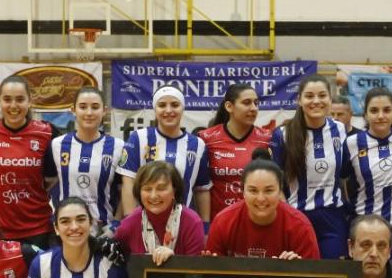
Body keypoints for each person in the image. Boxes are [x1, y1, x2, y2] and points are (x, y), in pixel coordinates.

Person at [341, 87, 392, 275]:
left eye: (386, 110)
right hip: (364, 228)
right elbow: (342, 180)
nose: (380, 116)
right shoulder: (352, 143)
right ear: (365, 114)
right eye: (374, 110)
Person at [270, 75, 350, 259]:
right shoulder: (283, 135)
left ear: (330, 99)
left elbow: (345, 175)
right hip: (297, 216)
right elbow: (276, 182)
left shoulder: (339, 129)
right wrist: (288, 215)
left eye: (322, 95)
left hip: (333, 217)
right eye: (309, 96)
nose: (316, 101)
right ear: (299, 100)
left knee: (332, 277)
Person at [0, 76, 54, 247]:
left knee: (37, 274)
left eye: (20, 99)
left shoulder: (47, 132)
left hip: (39, 228)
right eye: (7, 99)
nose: (13, 106)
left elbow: (54, 176)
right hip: (1, 228)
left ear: (29, 101)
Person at [118, 85, 211, 221]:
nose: (168, 110)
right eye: (162, 105)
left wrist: (205, 226)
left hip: (185, 225)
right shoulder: (138, 138)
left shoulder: (198, 144)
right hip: (144, 224)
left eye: (175, 105)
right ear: (155, 110)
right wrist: (130, 222)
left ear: (183, 108)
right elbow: (128, 183)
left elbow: (201, 190)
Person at [205, 155, 320, 260]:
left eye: (268, 190)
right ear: (243, 191)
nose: (261, 198)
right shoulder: (223, 222)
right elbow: (210, 275)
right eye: (253, 190)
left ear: (280, 191)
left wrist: (296, 269)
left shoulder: (300, 226)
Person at [46, 86, 121, 229]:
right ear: (73, 110)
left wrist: (115, 225)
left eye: (95, 107)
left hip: (104, 229)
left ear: (104, 110)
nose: (89, 112)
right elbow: (47, 185)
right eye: (83, 107)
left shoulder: (118, 147)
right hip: (66, 229)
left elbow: (124, 193)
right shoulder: (56, 145)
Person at [200, 83, 273, 216]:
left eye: (256, 103)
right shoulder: (206, 139)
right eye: (247, 103)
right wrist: (205, 226)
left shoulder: (268, 139)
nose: (253, 108)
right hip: (218, 222)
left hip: (256, 219)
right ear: (229, 106)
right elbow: (200, 188)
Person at [114, 161, 205, 265]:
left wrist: (175, 261)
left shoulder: (192, 222)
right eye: (147, 189)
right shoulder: (129, 225)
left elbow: (196, 275)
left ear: (174, 190)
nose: (153, 196)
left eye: (161, 188)